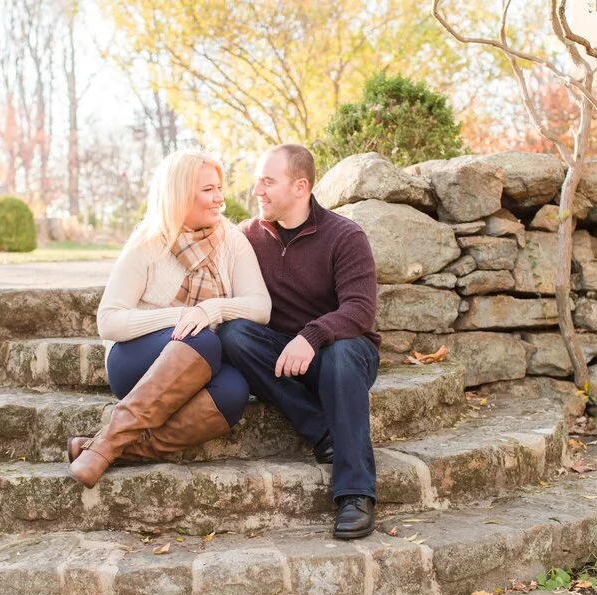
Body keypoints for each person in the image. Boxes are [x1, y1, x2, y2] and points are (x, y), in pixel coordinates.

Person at [68, 149, 271, 489]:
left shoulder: (232, 241)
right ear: (180, 192)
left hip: (202, 365)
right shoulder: (148, 242)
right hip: (136, 363)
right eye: (208, 190)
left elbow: (260, 306)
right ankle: (105, 446)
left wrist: (211, 310)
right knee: (201, 338)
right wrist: (182, 317)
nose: (219, 198)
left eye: (219, 188)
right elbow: (109, 320)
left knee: (235, 391)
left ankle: (109, 446)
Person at [217, 144, 380, 539]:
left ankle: (355, 493)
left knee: (341, 352)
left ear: (300, 187)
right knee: (233, 333)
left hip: (342, 353)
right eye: (258, 180)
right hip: (279, 354)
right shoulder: (247, 237)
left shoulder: (345, 235)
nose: (258, 190)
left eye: (268, 181)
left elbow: (360, 310)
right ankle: (322, 430)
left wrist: (313, 336)